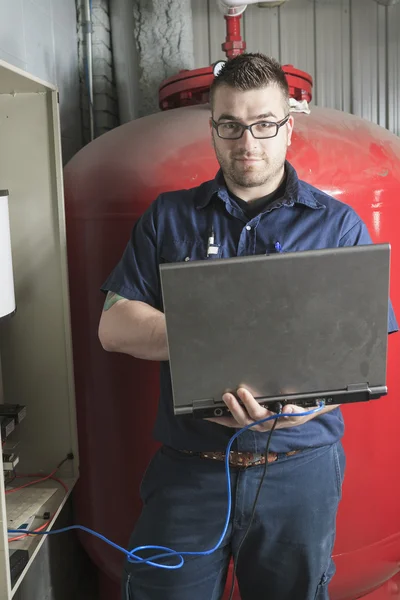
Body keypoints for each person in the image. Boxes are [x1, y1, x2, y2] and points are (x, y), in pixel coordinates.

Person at [98, 53, 398, 600]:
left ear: (288, 125)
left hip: (299, 469)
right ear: (213, 129)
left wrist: (305, 408)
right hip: (190, 470)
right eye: (231, 126)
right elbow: (114, 326)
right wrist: (216, 339)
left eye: (264, 124)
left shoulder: (337, 226)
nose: (248, 142)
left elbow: (360, 348)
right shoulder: (169, 218)